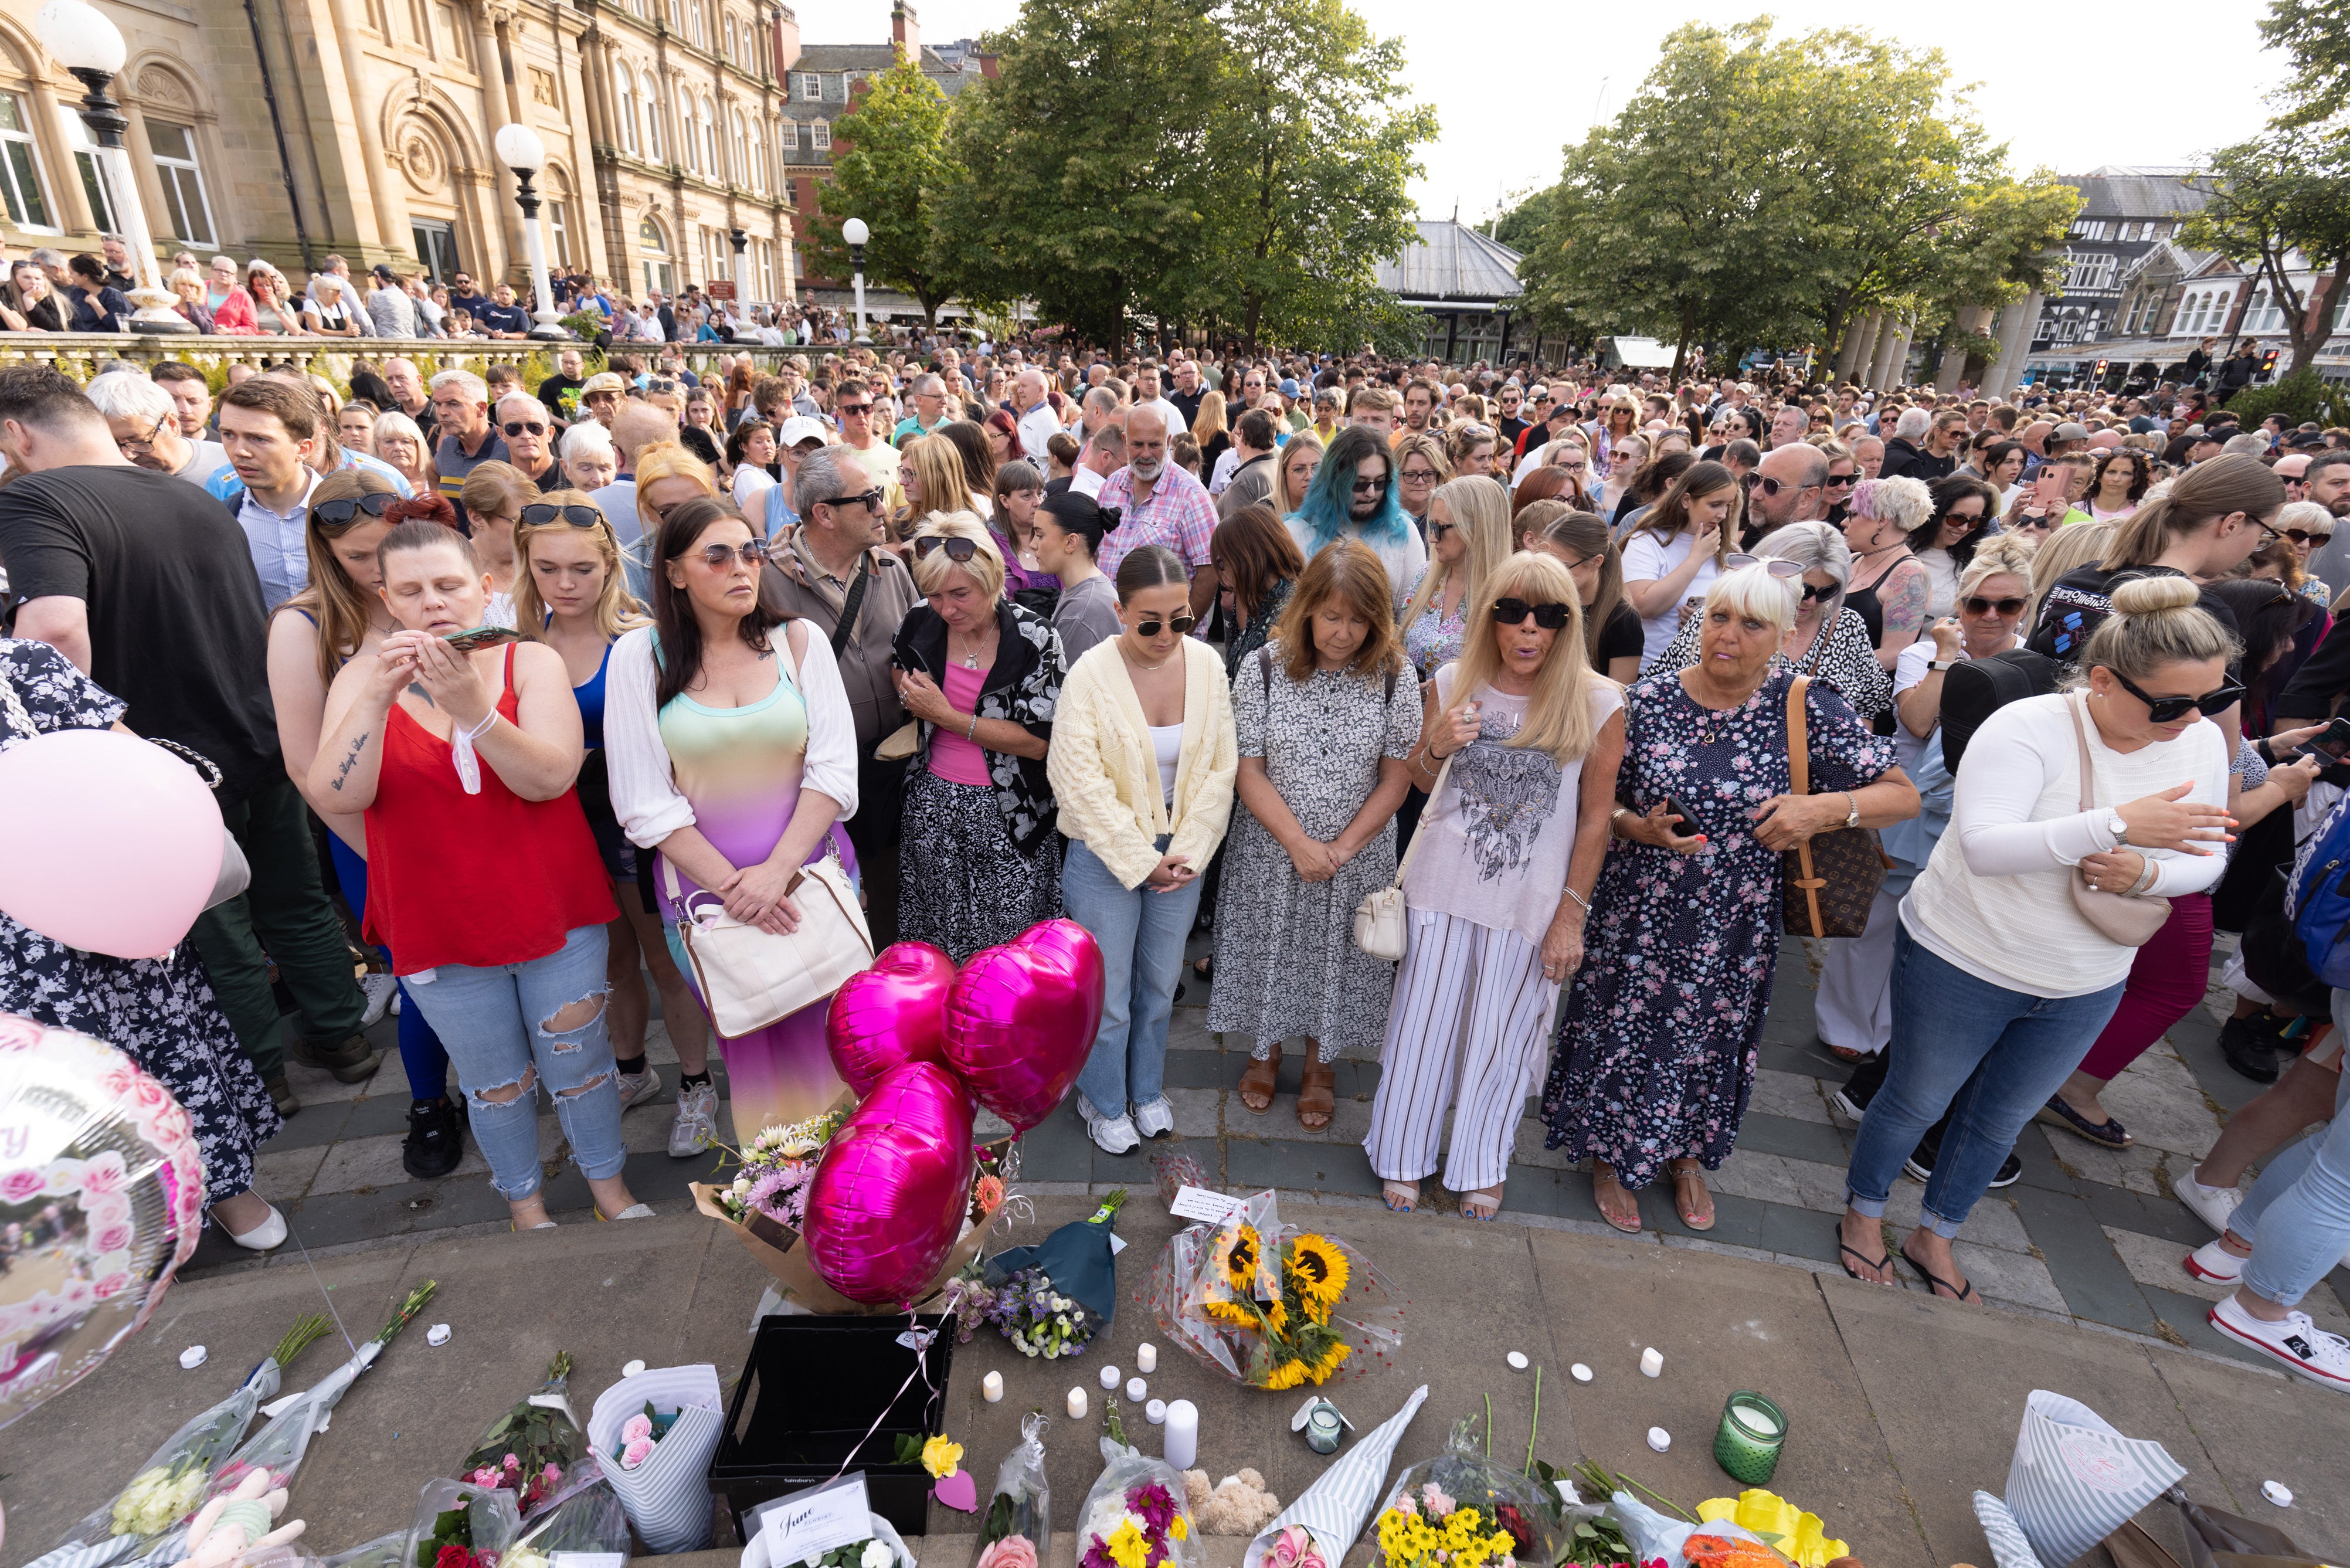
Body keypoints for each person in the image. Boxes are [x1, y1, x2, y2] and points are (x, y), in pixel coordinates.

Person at [1837, 577, 2232, 1301]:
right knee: (1917, 1100)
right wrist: (2117, 826)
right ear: (2105, 680)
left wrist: (2143, 870)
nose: (2195, 719)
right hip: (1965, 955)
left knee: (2001, 1120)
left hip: (2087, 976)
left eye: (2213, 697)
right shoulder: (2027, 727)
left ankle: (1937, 1232)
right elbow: (1985, 846)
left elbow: (2209, 858)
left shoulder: (2200, 739)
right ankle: (1864, 1215)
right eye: (2173, 704)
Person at [0, 366, 380, 1116]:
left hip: (158, 758)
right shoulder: (194, 495)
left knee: (217, 926)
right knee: (294, 901)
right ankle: (344, 1039)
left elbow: (50, 628)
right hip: (256, 735)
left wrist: (65, 748)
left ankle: (264, 1079)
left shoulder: (33, 497)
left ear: (16, 432)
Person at [1545, 564, 1913, 1232]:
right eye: (1719, 617)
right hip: (1640, 913)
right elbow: (1600, 804)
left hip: (1736, 921)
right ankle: (1607, 1153)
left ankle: (1684, 1154)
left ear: (1781, 635)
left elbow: (1900, 795)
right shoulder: (1647, 702)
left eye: (1751, 625)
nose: (1729, 636)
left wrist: (1819, 809)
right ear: (1698, 621)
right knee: (1623, 1028)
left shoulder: (1805, 704)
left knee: (1709, 1036)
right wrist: (1641, 827)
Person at [310, 521, 644, 1229]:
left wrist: (473, 708)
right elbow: (337, 795)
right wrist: (375, 695)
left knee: (579, 1063)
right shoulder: (357, 679)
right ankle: (525, 1205)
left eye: (449, 585)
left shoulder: (529, 661)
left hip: (550, 904)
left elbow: (550, 778)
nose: (433, 602)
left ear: (483, 588)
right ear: (387, 599)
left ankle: (609, 1190)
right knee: (493, 1081)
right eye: (412, 590)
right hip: (437, 917)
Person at [0, 637, 289, 1246]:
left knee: (154, 1051)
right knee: (44, 1090)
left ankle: (223, 1191)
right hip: (15, 947)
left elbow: (134, 768)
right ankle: (115, 1231)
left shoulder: (21, 664)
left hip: (97, 909)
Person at [1365, 553, 1625, 1219]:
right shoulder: (1454, 679)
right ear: (1491, 617)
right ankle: (1401, 1153)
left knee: (1503, 1039)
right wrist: (1440, 743)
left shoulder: (1598, 701)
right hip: (1439, 890)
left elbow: (1596, 819)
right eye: (1511, 612)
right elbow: (1419, 782)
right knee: (1421, 1031)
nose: (1528, 628)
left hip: (1528, 904)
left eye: (1548, 615)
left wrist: (1571, 917)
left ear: (1570, 623)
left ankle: (1482, 1162)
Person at [605, 496, 862, 1140]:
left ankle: (873, 1205)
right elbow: (643, 804)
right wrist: (737, 888)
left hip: (813, 888)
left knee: (846, 1050)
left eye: (749, 551)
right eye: (717, 556)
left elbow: (832, 772)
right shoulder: (641, 658)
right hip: (708, 904)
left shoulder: (799, 642)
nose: (741, 567)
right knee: (759, 1067)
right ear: (674, 572)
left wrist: (775, 874)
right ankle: (789, 1213)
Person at [264, 468, 462, 1176]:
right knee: (421, 978)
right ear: (324, 550)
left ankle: (499, 1079)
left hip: (462, 821)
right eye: (359, 558)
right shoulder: (304, 625)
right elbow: (301, 763)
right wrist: (379, 854)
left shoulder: (434, 596)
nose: (381, 572)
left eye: (389, 552)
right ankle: (431, 1104)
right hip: (372, 836)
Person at [511, 491, 716, 1153]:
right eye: (548, 569)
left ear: (609, 566)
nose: (565, 584)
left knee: (665, 956)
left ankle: (696, 1083)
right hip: (556, 822)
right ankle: (633, 1070)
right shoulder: (518, 641)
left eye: (582, 569)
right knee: (608, 960)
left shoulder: (643, 637)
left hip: (632, 817)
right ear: (527, 567)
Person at [1215, 541, 1420, 1128]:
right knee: (1271, 947)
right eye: (1333, 616)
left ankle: (1320, 1064)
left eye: (1360, 619)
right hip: (1271, 846)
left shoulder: (1395, 675)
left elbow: (1397, 776)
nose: (1345, 632)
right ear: (1307, 608)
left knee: (1337, 958)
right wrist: (1298, 843)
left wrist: (1342, 847)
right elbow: (1247, 768)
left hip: (1356, 853)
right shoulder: (1264, 667)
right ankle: (1264, 1048)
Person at [1816, 533, 2036, 1069]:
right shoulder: (1922, 654)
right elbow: (1917, 720)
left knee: (1932, 929)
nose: (1990, 615)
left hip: (1975, 810)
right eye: (1978, 603)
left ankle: (1893, 1032)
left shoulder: (2031, 666)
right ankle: (1843, 1022)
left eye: (2006, 605)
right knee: (1872, 922)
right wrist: (1946, 656)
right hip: (1906, 804)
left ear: (2024, 608)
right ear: (1958, 605)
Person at [1048, 544, 1238, 1154]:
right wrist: (1140, 858)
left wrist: (1187, 852)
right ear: (1119, 610)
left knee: (1159, 987)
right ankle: (1102, 1100)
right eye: (1150, 622)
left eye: (1181, 619)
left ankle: (1146, 1089)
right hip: (1104, 855)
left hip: (1181, 852)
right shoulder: (1089, 674)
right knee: (1110, 995)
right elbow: (1078, 783)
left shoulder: (1208, 665)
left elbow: (1220, 767)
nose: (1167, 635)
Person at [760, 446, 919, 949]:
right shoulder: (765, 583)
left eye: (882, 494)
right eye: (869, 498)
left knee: (895, 906)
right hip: (810, 783)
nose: (882, 509)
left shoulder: (891, 570)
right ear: (823, 514)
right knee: (834, 909)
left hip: (895, 769)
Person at [889, 514, 1065, 961]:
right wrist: (909, 692)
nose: (947, 608)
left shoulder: (1033, 637)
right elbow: (896, 661)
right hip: (933, 807)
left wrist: (946, 716)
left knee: (1009, 955)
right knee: (937, 946)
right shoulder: (919, 622)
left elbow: (1038, 741)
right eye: (934, 595)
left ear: (992, 579)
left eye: (960, 594)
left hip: (1010, 815)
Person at [1653, 524, 1893, 722]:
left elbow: (1867, 707)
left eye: (1826, 592)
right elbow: (1663, 693)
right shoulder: (1716, 619)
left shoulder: (1847, 627)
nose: (1810, 601)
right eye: (1803, 589)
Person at [1282, 424, 1427, 608]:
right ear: (1335, 481)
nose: (1371, 493)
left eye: (1380, 482)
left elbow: (1411, 615)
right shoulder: (1295, 533)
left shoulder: (1404, 531)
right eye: (1360, 483)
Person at [1620, 458, 1739, 671]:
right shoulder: (1647, 541)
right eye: (1714, 505)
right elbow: (1643, 606)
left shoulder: (1729, 550)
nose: (1722, 514)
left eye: (1727, 506)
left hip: (1706, 670)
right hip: (1651, 668)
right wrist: (1696, 559)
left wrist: (1707, 621)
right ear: (1686, 500)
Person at [1400, 474, 1513, 682]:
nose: (1432, 538)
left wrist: (1442, 689)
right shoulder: (1426, 576)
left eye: (1440, 528)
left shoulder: (1508, 595)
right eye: (1431, 526)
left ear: (1477, 528)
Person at [1524, 504, 1645, 684]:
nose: (1551, 573)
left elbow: (1620, 696)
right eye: (1546, 562)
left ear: (1596, 562)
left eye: (1562, 566)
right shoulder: (1541, 600)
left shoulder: (1623, 620)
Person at [1838, 476, 1934, 671]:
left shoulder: (1910, 575)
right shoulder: (1853, 560)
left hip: (1861, 692)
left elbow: (1894, 654)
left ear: (1882, 520)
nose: (1844, 522)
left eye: (1853, 514)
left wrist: (1830, 671)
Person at [1210, 501, 1307, 677]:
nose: (1222, 577)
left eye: (1223, 564)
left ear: (1246, 559)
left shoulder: (1289, 611)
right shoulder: (1265, 600)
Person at [87, 369, 230, 488]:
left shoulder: (229, 465)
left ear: (172, 424)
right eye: (113, 444)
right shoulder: (99, 480)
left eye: (138, 441)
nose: (128, 455)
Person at [1035, 488, 1123, 664]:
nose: (1032, 544)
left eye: (1040, 535)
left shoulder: (1083, 610)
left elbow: (1065, 685)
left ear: (1071, 542)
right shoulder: (1081, 591)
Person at [1907, 476, 2001, 620]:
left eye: (1975, 521)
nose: (1964, 528)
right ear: (1937, 513)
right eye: (1957, 518)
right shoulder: (1900, 548)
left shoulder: (1975, 562)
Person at [1391, 432, 1451, 538]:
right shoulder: (1381, 518)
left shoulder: (1449, 519)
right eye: (1411, 475)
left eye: (1428, 474)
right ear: (1395, 475)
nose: (1420, 482)